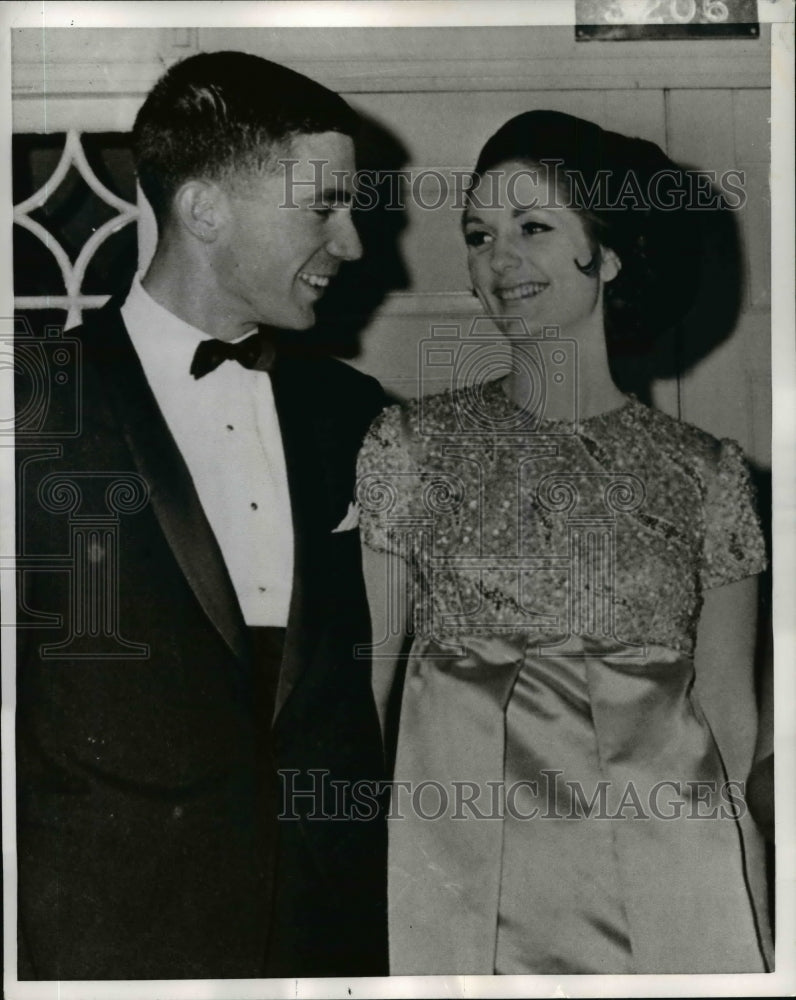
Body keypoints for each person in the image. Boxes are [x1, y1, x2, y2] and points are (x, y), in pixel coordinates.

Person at [357, 110, 772, 974]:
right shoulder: (409, 446)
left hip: (670, 883)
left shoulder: (708, 474)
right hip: (460, 885)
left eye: (533, 228)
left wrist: (754, 923)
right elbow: (368, 688)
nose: (497, 260)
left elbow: (730, 718)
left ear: (610, 256)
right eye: (479, 234)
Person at [15, 51, 388, 979]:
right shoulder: (31, 401)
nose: (353, 244)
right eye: (324, 206)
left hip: (322, 931)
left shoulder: (356, 412)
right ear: (205, 209)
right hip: (110, 941)